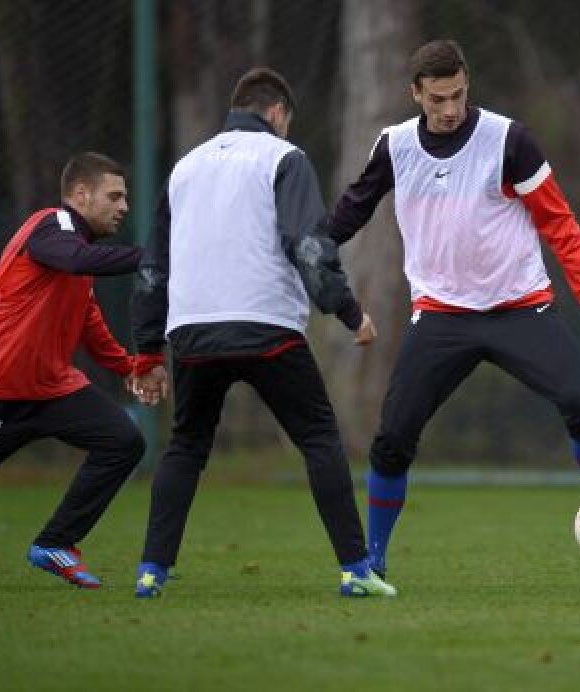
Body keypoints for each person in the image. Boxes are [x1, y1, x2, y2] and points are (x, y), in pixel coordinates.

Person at [320, 39, 580, 577]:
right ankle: (373, 562)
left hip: (519, 307)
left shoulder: (509, 140)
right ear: (415, 94)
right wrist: (313, 246)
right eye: (436, 99)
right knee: (392, 438)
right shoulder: (395, 146)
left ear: (467, 85)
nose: (449, 109)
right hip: (441, 315)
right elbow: (351, 210)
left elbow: (558, 221)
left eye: (457, 95)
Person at [129, 67, 395, 598]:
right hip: (266, 327)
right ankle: (356, 570)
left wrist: (146, 351)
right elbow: (309, 246)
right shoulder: (283, 157)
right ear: (277, 113)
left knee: (185, 446)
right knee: (319, 439)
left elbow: (153, 265)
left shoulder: (184, 168)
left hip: (193, 332)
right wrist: (347, 312)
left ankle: (151, 571)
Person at [0, 152, 146, 589]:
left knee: (123, 441)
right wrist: (152, 259)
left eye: (125, 197)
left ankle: (56, 543)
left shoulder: (80, 257)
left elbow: (91, 326)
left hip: (50, 390)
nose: (123, 206)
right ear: (81, 195)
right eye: (115, 196)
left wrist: (131, 367)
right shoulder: (51, 225)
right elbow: (72, 260)